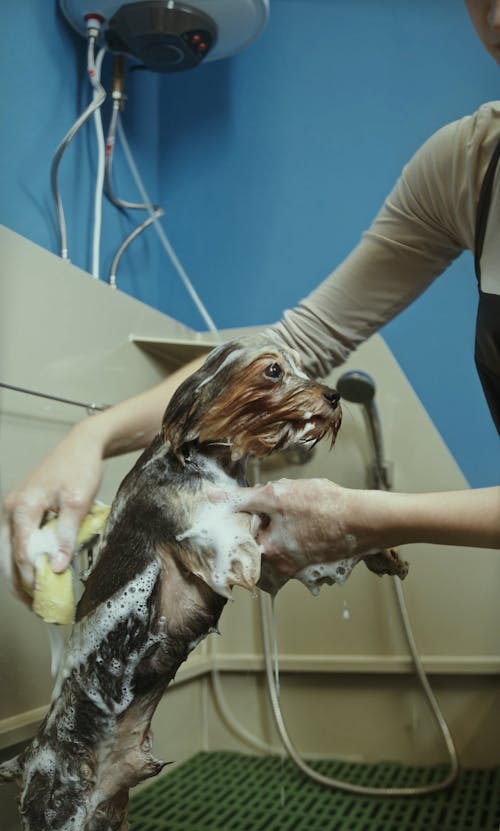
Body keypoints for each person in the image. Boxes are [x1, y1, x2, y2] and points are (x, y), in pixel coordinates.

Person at [3, 0, 500, 597]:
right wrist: (91, 437)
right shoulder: (467, 168)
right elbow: (294, 345)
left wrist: (363, 520)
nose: (494, 16)